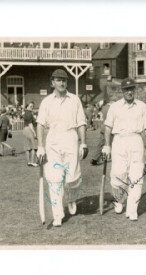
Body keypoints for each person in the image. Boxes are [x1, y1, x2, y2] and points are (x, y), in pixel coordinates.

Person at [36, 69, 88, 227]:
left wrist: (83, 142)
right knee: (54, 179)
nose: (62, 83)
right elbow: (40, 124)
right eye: (58, 80)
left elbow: (81, 123)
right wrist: (40, 146)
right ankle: (57, 214)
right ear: (52, 82)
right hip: (53, 140)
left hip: (70, 138)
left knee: (72, 178)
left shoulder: (74, 100)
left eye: (64, 80)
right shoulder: (46, 101)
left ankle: (71, 198)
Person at [101, 78, 146, 221]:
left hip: (136, 141)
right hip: (119, 141)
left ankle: (132, 210)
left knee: (136, 177)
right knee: (118, 176)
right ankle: (118, 199)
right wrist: (107, 145)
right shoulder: (115, 107)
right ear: (122, 91)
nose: (129, 92)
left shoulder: (142, 106)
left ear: (135, 90)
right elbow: (108, 127)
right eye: (126, 89)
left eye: (132, 89)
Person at [90, 95, 118, 166]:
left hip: (104, 127)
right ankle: (105, 157)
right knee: (113, 144)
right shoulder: (114, 108)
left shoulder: (104, 107)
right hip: (111, 128)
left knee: (101, 144)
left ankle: (95, 158)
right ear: (114, 101)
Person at [23, 102, 38, 167]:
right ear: (27, 107)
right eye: (30, 106)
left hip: (25, 129)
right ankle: (32, 161)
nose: (32, 107)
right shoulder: (29, 114)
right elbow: (30, 124)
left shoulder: (25, 113)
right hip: (29, 129)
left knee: (27, 147)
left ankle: (28, 162)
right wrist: (34, 133)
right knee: (34, 146)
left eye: (32, 106)